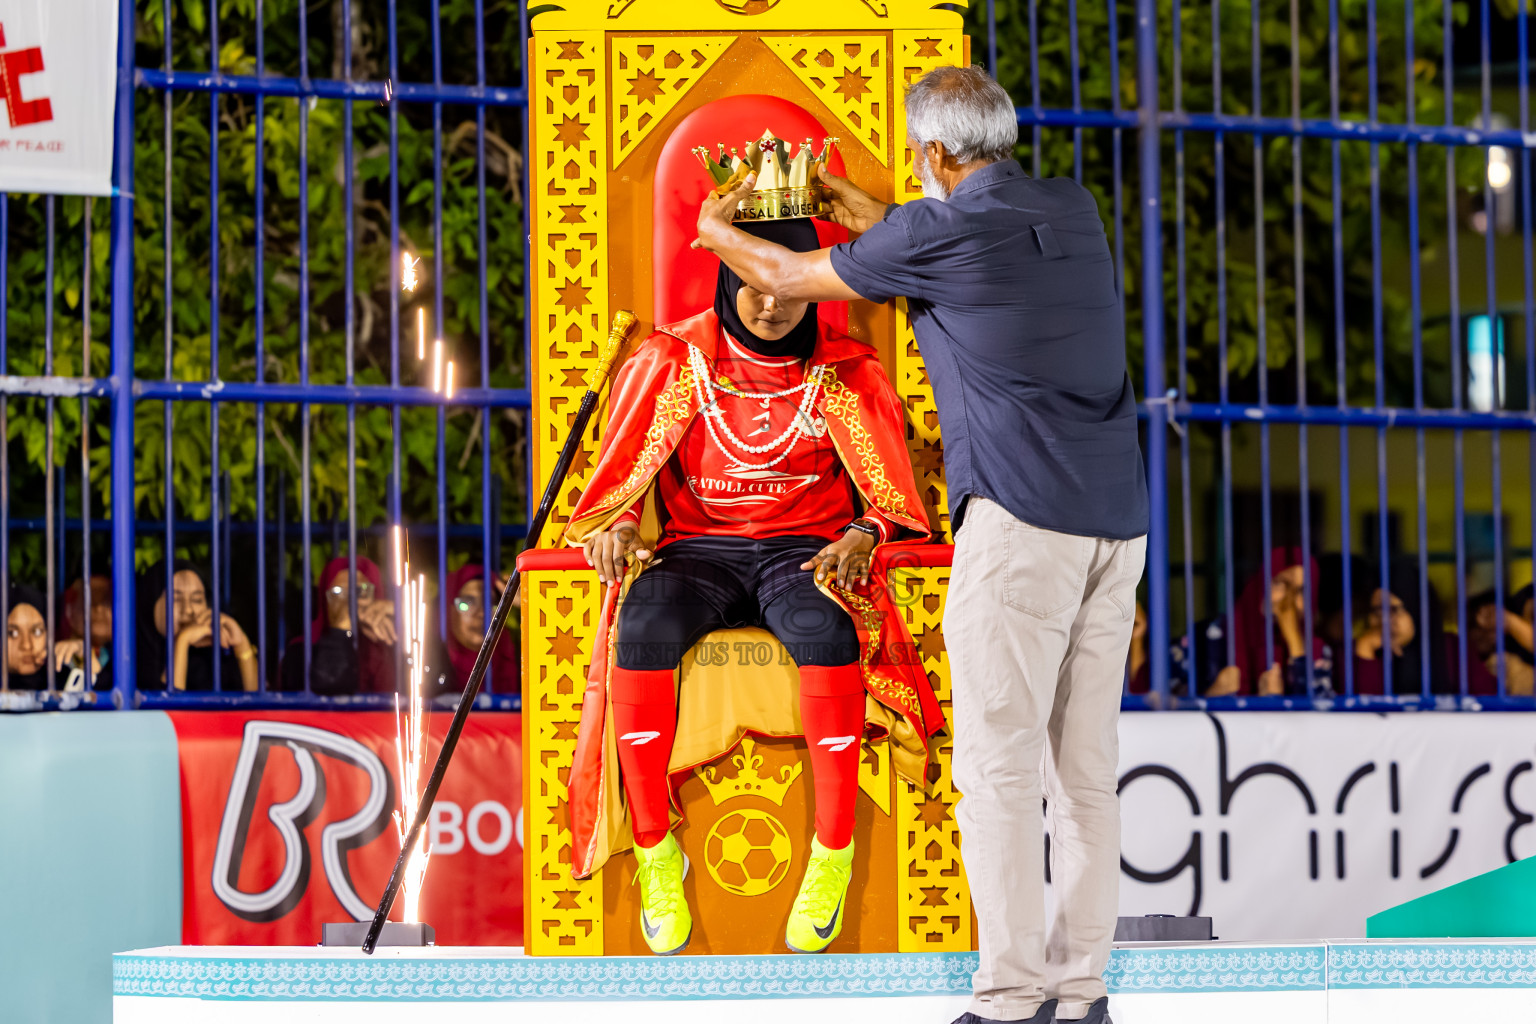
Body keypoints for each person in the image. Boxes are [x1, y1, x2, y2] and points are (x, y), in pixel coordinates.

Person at [694, 66, 1145, 1024]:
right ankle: (1083, 992)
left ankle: (1013, 997)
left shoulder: (936, 233)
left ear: (932, 154)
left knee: (997, 772)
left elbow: (777, 276)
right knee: (1084, 777)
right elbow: (920, 232)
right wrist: (850, 203)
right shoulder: (1071, 208)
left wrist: (715, 226)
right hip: (1117, 525)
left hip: (1023, 525)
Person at [562, 215, 943, 957]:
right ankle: (653, 851)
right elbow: (615, 487)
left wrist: (865, 534)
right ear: (728, 279)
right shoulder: (670, 360)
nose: (771, 306)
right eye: (755, 289)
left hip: (803, 552)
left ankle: (831, 857)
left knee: (828, 631)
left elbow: (893, 503)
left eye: (788, 291)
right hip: (695, 551)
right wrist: (612, 528)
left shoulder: (849, 372)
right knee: (639, 630)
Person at [1197, 548, 1334, 698]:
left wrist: (1295, 640)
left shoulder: (1318, 648)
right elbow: (1173, 706)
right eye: (1280, 583)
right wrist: (1213, 695)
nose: (1289, 599)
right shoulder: (1212, 636)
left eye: (1301, 590)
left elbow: (1322, 711)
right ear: (1261, 585)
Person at [281, 556, 397, 695]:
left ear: (376, 594)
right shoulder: (301, 651)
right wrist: (341, 629)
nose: (350, 601)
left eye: (361, 590)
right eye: (338, 592)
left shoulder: (395, 642)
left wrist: (403, 615)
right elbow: (327, 688)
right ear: (324, 599)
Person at [136, 560, 258, 691]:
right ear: (149, 603)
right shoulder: (131, 666)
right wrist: (182, 642)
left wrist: (242, 645)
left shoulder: (215, 658)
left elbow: (258, 707)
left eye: (197, 600)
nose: (188, 610)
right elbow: (171, 709)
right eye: (175, 599)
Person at [1351, 561, 1450, 697]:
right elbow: (1363, 713)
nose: (1384, 620)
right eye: (1376, 611)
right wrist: (1365, 649)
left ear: (1417, 610)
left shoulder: (1454, 650)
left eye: (1393, 609)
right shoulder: (1356, 653)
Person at [442, 562, 518, 695]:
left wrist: (531, 605)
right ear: (448, 610)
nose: (481, 613)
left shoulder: (519, 657)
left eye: (491, 602)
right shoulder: (425, 664)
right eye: (467, 603)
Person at [60, 573, 113, 691]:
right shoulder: (58, 660)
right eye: (88, 601)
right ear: (69, 611)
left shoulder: (124, 660)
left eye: (106, 600)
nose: (98, 608)